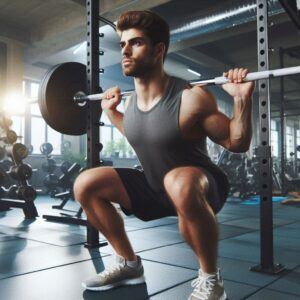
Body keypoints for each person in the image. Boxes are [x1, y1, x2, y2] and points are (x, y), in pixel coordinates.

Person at [74, 10, 254, 300]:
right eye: (123, 44)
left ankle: (211, 280)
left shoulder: (191, 97)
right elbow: (140, 134)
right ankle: (129, 264)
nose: (126, 51)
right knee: (86, 183)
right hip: (156, 187)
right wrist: (111, 112)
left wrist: (242, 99)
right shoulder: (131, 104)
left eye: (136, 43)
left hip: (200, 188)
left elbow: (236, 143)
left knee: (178, 181)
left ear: (159, 50)